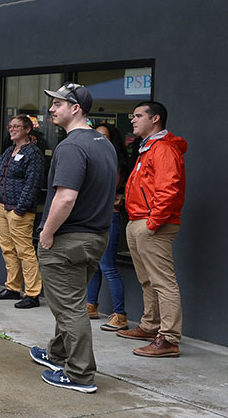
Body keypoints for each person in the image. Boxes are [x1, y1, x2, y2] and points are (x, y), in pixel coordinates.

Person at [28, 83, 118, 394]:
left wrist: (47, 233)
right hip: (96, 237)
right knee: (72, 300)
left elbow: (65, 198)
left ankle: (80, 374)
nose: (51, 109)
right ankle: (57, 354)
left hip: (68, 240)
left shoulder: (71, 147)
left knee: (69, 307)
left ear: (75, 108)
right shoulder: (103, 143)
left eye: (58, 104)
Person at [120, 101, 187, 357]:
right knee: (147, 280)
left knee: (163, 282)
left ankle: (168, 338)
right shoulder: (148, 148)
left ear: (155, 118)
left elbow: (168, 188)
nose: (133, 120)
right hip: (139, 220)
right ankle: (150, 326)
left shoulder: (164, 148)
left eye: (138, 115)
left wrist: (153, 222)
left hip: (152, 224)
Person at [0, 115, 45, 308]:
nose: (11, 129)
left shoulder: (33, 154)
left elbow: (33, 184)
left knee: (25, 251)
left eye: (16, 126)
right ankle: (13, 288)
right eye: (10, 126)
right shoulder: (9, 151)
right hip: (2, 208)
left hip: (19, 210)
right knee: (8, 250)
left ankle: (32, 293)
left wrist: (20, 209)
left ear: (27, 130)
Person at [85, 123, 130, 331]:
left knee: (108, 266)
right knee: (94, 265)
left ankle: (120, 314)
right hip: (95, 216)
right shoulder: (94, 158)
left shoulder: (115, 160)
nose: (99, 139)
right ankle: (91, 306)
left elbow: (107, 188)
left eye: (104, 136)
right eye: (96, 135)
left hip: (109, 216)